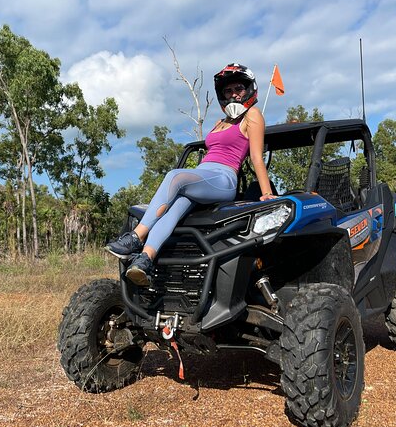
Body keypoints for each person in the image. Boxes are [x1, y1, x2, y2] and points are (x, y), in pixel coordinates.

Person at [106, 63, 277, 286]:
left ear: (249, 89)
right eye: (228, 91)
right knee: (174, 209)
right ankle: (145, 259)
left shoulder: (252, 116)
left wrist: (266, 192)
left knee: (175, 177)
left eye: (238, 89)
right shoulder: (220, 122)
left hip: (223, 179)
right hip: (202, 177)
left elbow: (256, 157)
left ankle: (136, 237)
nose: (233, 94)